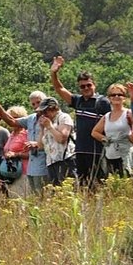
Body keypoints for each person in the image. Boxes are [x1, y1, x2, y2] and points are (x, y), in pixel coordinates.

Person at [50, 56, 110, 187]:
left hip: (97, 151)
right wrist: (54, 73)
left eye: (89, 85)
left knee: (99, 184)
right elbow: (59, 89)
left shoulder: (103, 102)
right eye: (82, 86)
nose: (86, 88)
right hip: (80, 150)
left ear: (94, 85)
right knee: (83, 186)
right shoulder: (78, 101)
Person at [0, 92, 50, 194]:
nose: (36, 106)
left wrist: (34, 145)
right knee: (33, 198)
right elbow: (12, 121)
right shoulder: (31, 119)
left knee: (42, 196)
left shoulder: (50, 118)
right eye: (33, 104)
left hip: (43, 164)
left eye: (38, 102)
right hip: (31, 167)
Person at [91, 83, 133, 177]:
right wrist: (104, 139)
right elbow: (94, 132)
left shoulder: (128, 113)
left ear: (124, 98)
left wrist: (131, 137)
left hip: (126, 154)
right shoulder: (106, 116)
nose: (116, 97)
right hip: (110, 155)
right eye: (113, 95)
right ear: (109, 98)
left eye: (119, 94)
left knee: (129, 180)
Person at [37, 97, 77, 186]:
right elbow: (40, 146)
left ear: (53, 108)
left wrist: (50, 127)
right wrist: (42, 128)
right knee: (57, 192)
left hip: (65, 159)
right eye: (41, 112)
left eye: (45, 111)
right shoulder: (47, 122)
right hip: (51, 161)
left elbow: (62, 139)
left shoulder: (64, 117)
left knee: (69, 188)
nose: (43, 115)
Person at [0, 106, 29, 197]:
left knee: (21, 202)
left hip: (23, 172)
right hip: (11, 173)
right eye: (10, 117)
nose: (12, 120)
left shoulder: (26, 133)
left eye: (15, 117)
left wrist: (16, 154)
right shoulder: (11, 134)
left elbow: (31, 154)